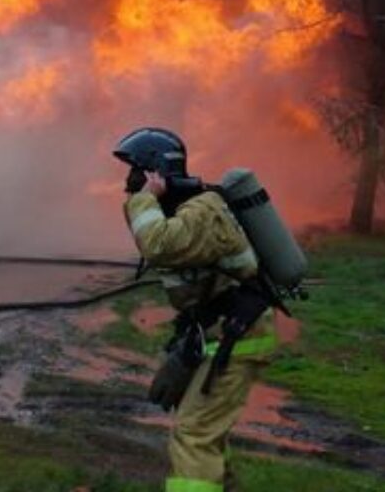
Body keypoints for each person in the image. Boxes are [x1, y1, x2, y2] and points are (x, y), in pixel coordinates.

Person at [113, 127, 278, 492]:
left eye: (137, 173)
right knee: (206, 433)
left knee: (194, 434)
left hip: (238, 338)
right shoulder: (186, 212)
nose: (129, 183)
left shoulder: (204, 211)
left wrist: (145, 200)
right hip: (221, 334)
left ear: (158, 173)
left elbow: (157, 244)